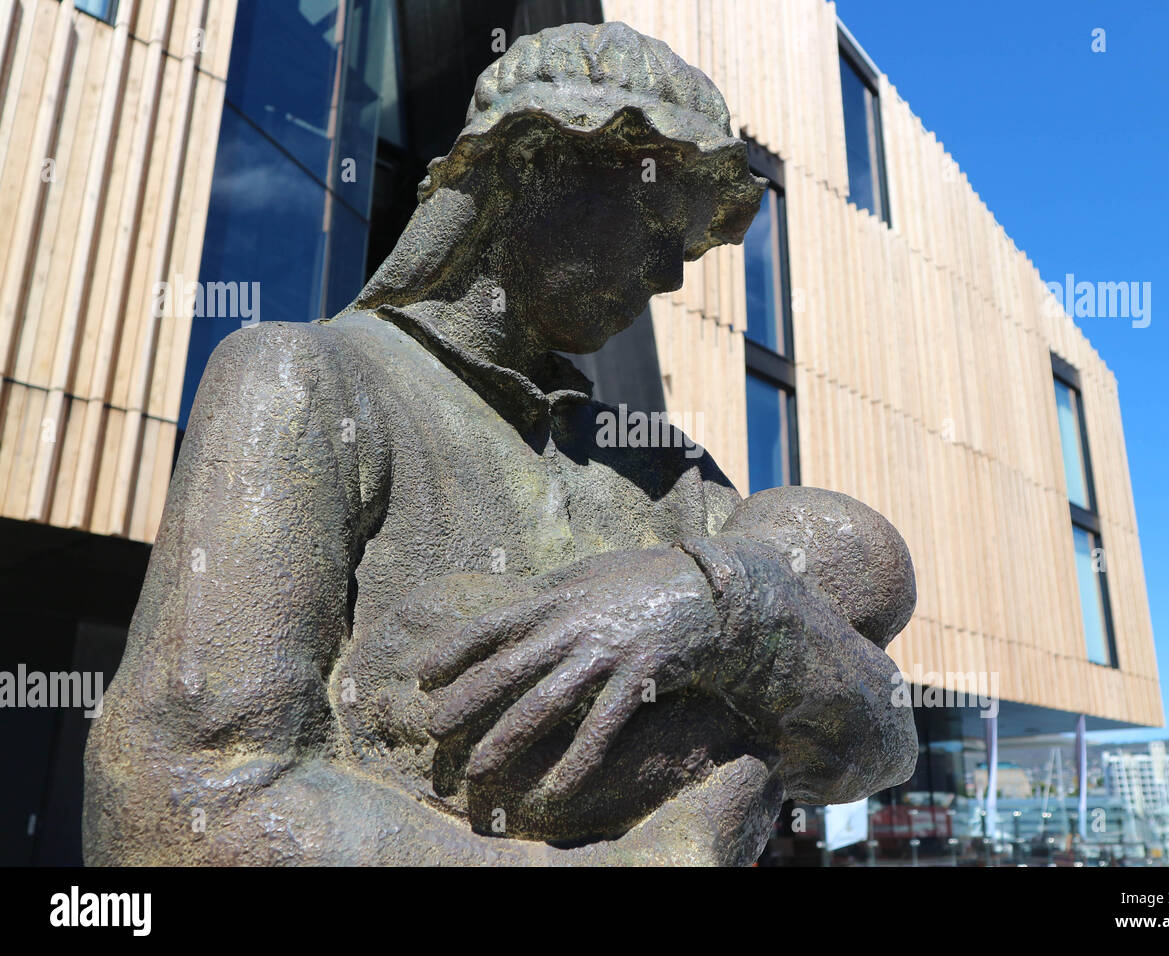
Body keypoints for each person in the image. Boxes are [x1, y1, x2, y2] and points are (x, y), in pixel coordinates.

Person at [84, 21, 917, 866]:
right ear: (535, 165)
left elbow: (885, 739)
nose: (670, 274)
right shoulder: (305, 381)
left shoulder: (671, 477)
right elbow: (179, 792)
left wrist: (729, 606)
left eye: (689, 249)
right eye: (660, 215)